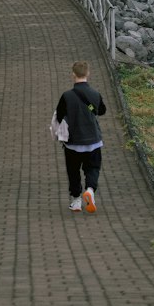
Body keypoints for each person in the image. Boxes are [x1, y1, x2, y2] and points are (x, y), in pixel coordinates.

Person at [54, 60, 106, 213]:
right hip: (93, 141)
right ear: (88, 74)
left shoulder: (67, 96)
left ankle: (76, 201)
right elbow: (101, 111)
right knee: (93, 168)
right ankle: (90, 189)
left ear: (73, 75)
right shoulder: (95, 94)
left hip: (73, 142)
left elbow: (59, 116)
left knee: (73, 171)